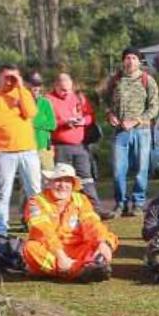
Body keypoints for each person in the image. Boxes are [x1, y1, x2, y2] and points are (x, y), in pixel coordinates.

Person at [21, 162, 119, 282]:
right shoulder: (36, 202)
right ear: (49, 183)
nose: (62, 185)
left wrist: (103, 244)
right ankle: (80, 270)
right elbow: (43, 231)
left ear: (73, 185)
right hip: (51, 252)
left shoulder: (81, 199)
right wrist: (60, 255)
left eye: (67, 181)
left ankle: (83, 268)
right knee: (30, 248)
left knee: (108, 238)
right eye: (58, 180)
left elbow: (92, 224)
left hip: (77, 248)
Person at [0, 64, 42, 240]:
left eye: (13, 77)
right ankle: (1, 231)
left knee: (35, 191)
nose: (10, 81)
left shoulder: (23, 93)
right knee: (3, 192)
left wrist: (21, 87)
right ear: (0, 77)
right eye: (6, 77)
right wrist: (16, 111)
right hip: (5, 152)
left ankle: (38, 226)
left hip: (28, 150)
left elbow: (31, 113)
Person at [105, 47, 159, 216]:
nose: (130, 61)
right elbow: (106, 102)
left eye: (134, 58)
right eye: (127, 58)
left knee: (141, 169)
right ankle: (120, 203)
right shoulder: (115, 80)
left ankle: (138, 203)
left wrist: (136, 120)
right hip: (120, 133)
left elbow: (154, 107)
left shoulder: (147, 80)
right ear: (123, 61)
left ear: (139, 61)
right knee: (118, 170)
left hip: (141, 132)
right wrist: (110, 115)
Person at [48, 70, 109, 215]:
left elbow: (90, 116)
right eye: (63, 90)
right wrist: (64, 122)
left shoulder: (78, 98)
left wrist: (83, 121)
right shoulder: (48, 100)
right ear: (56, 85)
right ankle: (62, 211)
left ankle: (95, 209)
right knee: (62, 181)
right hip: (60, 146)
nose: (66, 93)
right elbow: (47, 123)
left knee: (86, 178)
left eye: (68, 89)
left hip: (80, 146)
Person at [26, 71, 58, 172]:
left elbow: (52, 124)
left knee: (48, 175)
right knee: (29, 178)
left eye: (38, 85)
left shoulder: (45, 103)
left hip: (44, 146)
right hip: (27, 147)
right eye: (33, 85)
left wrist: (33, 123)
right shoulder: (22, 102)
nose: (35, 88)